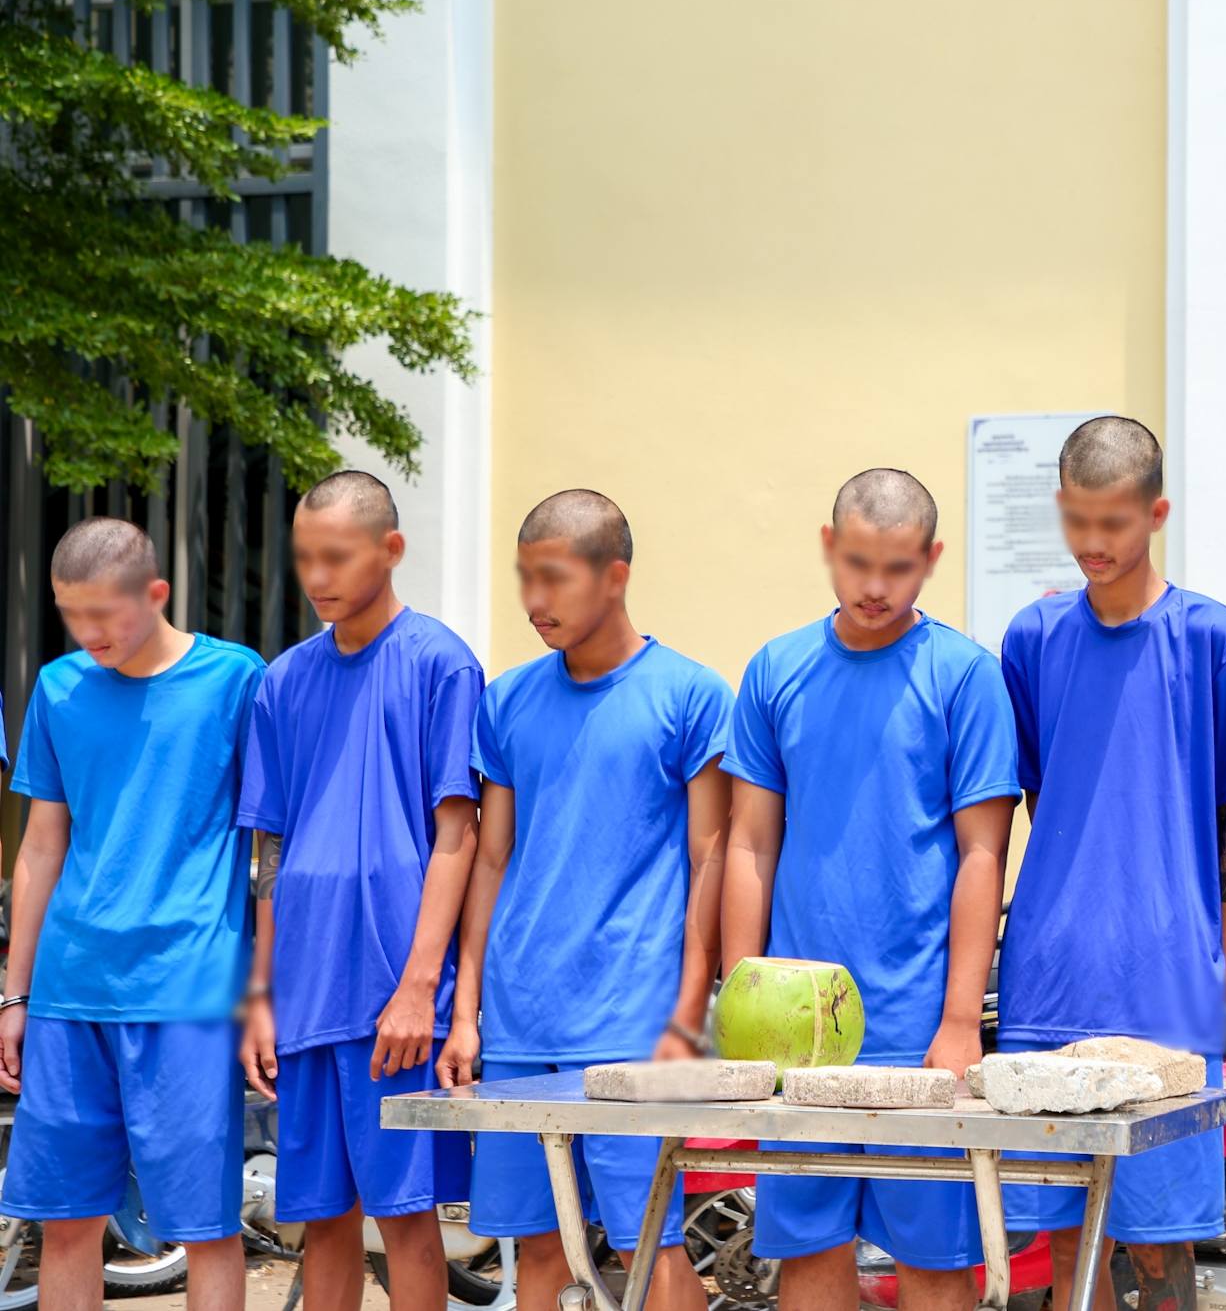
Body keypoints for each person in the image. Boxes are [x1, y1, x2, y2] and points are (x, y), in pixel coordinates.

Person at [722, 468, 1019, 1311]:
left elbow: (983, 854)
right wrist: (741, 996)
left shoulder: (965, 675)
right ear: (829, 547)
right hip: (795, 1036)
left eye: (898, 567)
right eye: (857, 563)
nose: (875, 586)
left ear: (931, 558)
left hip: (918, 1029)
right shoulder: (776, 669)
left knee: (933, 1267)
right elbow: (749, 842)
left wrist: (958, 1021)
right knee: (810, 1256)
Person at [996, 416, 1226, 1310]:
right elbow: (1040, 792)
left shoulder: (1215, 638)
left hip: (1171, 978)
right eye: (1077, 519)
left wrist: (1221, 956)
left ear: (1156, 513)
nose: (1093, 542)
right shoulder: (1031, 637)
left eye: (1112, 521)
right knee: (1067, 1243)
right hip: (1050, 973)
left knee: (1161, 1241)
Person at [447, 490, 730, 1311]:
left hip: (633, 1023)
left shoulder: (690, 694)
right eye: (526, 579)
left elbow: (711, 858)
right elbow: (490, 858)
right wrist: (467, 1012)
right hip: (518, 1019)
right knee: (537, 1247)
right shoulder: (507, 699)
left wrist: (688, 1012)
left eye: (556, 579)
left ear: (615, 576)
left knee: (650, 1242)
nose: (535, 601)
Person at [1, 518, 263, 1311]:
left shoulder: (235, 680)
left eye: (103, 613)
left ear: (155, 594)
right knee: (66, 1223)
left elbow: (273, 843)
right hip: (70, 991)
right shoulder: (59, 688)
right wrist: (15, 995)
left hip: (189, 989)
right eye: (70, 614)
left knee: (206, 1226)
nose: (88, 633)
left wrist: (264, 990)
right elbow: (41, 846)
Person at [238, 472, 482, 1311]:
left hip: (393, 994)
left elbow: (459, 833)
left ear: (391, 549)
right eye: (305, 557)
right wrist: (263, 995)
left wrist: (420, 986)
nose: (317, 577)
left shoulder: (442, 664)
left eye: (336, 557)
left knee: (406, 1220)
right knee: (321, 1221)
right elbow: (270, 848)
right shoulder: (282, 681)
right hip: (305, 991)